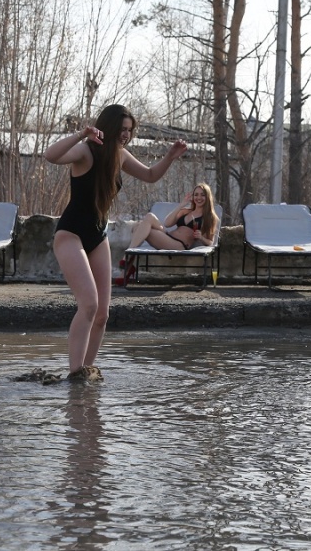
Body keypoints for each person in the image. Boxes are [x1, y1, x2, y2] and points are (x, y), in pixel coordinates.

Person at [44, 104, 188, 381]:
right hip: (71, 234)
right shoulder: (86, 150)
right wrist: (80, 134)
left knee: (102, 315)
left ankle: (85, 371)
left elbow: (150, 175)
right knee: (88, 305)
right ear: (108, 127)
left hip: (97, 237)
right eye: (122, 129)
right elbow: (51, 155)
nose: (126, 135)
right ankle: (74, 374)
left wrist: (170, 156)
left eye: (129, 130)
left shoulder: (120, 156)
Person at [125, 183, 219, 251]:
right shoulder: (185, 211)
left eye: (203, 195)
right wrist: (181, 205)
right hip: (168, 236)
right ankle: (129, 258)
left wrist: (201, 237)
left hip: (179, 244)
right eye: (196, 195)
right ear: (193, 197)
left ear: (207, 197)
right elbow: (167, 223)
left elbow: (211, 242)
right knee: (148, 217)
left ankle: (128, 256)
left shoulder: (209, 217)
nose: (199, 197)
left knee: (138, 228)